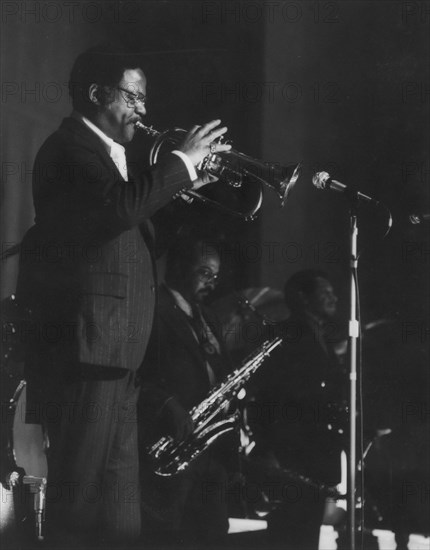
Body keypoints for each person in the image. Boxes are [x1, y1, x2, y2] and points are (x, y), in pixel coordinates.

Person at [15, 45, 231, 546]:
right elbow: (112, 213)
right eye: (134, 96)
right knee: (82, 507)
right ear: (96, 94)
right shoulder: (67, 150)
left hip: (118, 356)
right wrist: (180, 164)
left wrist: (192, 179)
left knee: (118, 520)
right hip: (87, 354)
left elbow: (130, 230)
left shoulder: (115, 160)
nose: (143, 110)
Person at [139, 237, 236, 545]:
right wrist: (167, 403)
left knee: (213, 535)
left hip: (210, 448)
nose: (212, 282)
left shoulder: (210, 316)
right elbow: (135, 375)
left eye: (216, 276)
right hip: (169, 443)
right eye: (205, 272)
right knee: (171, 536)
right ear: (179, 267)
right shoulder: (151, 308)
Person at [247, 269, 346, 549]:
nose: (334, 297)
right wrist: (269, 450)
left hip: (314, 459)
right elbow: (266, 397)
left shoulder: (321, 337)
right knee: (290, 536)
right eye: (325, 293)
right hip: (291, 459)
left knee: (305, 536)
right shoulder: (284, 335)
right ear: (303, 298)